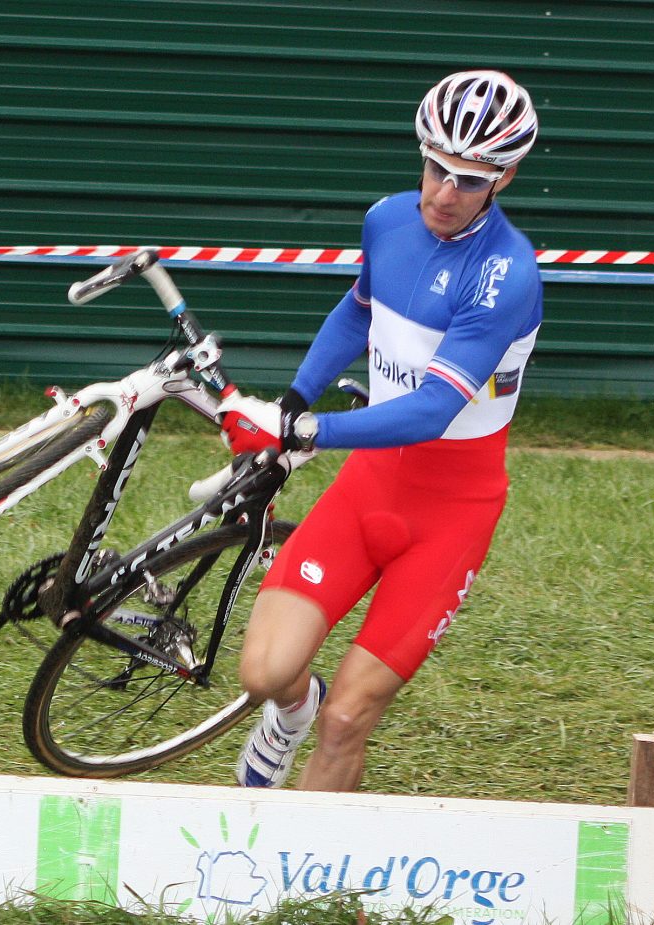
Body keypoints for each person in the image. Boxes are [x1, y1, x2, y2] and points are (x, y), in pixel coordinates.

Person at [216, 70, 543, 791]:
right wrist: (294, 396)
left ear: (506, 177)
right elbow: (357, 311)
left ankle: (299, 893)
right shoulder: (389, 219)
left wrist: (303, 429)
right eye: (435, 168)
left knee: (349, 721)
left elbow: (432, 410)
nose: (444, 193)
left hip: (451, 512)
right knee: (265, 672)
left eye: (469, 179)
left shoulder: (506, 274)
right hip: (371, 487)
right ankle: (290, 716)